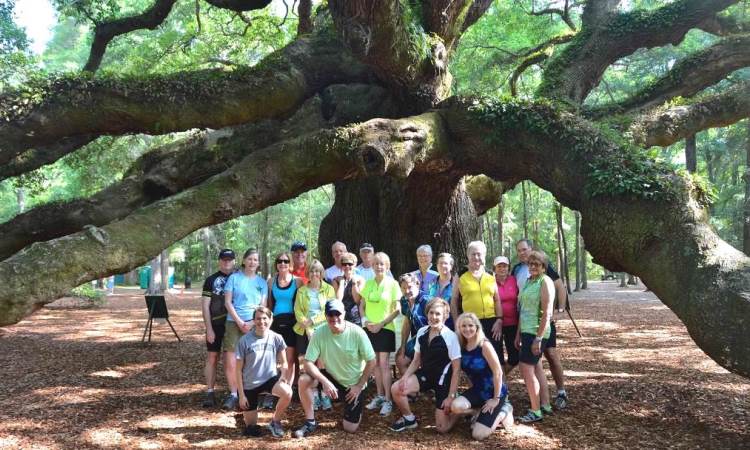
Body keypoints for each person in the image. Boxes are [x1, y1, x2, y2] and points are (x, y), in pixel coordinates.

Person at [294, 300, 377, 437]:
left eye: (337, 314)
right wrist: (325, 382)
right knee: (303, 380)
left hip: (353, 383)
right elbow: (308, 362)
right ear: (325, 316)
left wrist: (359, 385)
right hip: (331, 375)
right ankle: (310, 422)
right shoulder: (319, 333)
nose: (334, 318)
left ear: (344, 314)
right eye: (330, 314)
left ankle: (355, 407)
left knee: (350, 428)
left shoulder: (357, 332)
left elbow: (372, 361)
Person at [389, 298, 461, 433]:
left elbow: (456, 369)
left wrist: (451, 396)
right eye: (431, 313)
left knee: (442, 429)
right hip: (426, 375)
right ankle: (409, 419)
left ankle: (458, 412)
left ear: (445, 316)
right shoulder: (422, 332)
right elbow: (416, 361)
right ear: (427, 314)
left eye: (438, 314)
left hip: (443, 381)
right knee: (396, 388)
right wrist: (405, 377)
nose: (434, 317)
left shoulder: (450, 337)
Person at [512, 238, 569, 409]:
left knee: (550, 355)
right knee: (535, 364)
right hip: (526, 324)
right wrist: (518, 332)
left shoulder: (545, 275)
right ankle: (543, 402)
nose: (522, 252)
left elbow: (560, 287)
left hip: (542, 324)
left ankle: (561, 392)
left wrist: (559, 310)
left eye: (524, 249)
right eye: (519, 250)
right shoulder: (518, 271)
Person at [451, 312, 513, 440]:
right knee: (455, 407)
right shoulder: (462, 346)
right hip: (478, 391)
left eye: (470, 325)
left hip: (495, 392)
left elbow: (498, 372)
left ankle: (504, 411)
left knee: (477, 434)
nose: (467, 329)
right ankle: (477, 412)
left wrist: (496, 399)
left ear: (477, 327)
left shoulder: (484, 345)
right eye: (463, 326)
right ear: (459, 328)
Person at [354, 251, 401, 416]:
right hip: (370, 328)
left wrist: (381, 324)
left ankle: (389, 400)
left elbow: (397, 310)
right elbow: (362, 305)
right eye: (376, 264)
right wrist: (365, 321)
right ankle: (380, 396)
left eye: (382, 264)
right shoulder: (368, 284)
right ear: (372, 266)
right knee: (374, 364)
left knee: (384, 364)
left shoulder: (393, 284)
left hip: (386, 328)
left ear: (387, 266)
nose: (379, 267)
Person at [222, 248, 268, 410]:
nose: (252, 262)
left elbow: (262, 306)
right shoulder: (234, 278)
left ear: (258, 263)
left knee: (254, 359)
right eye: (249, 259)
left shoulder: (262, 283)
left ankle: (253, 392)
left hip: (255, 323)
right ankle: (234, 394)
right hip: (233, 322)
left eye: (255, 260)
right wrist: (240, 321)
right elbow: (228, 302)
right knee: (231, 359)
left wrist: (251, 322)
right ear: (243, 260)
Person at [235, 307, 292, 438]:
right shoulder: (244, 340)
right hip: (249, 384)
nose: (262, 322)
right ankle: (243, 417)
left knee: (288, 392)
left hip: (269, 379)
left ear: (271, 319)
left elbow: (284, 362)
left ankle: (275, 421)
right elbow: (238, 370)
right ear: (254, 321)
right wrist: (241, 395)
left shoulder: (276, 338)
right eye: (258, 319)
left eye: (265, 318)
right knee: (251, 428)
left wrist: (283, 376)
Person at [515, 250, 555, 423]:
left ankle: (535, 410)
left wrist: (538, 338)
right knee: (537, 367)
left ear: (544, 267)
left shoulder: (545, 282)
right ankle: (545, 404)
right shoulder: (528, 281)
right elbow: (523, 310)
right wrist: (518, 334)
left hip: (537, 332)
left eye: (537, 264)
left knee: (526, 369)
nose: (532, 267)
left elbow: (547, 312)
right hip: (526, 330)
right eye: (530, 264)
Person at [293, 259, 336, 410]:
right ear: (308, 273)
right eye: (312, 271)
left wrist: (312, 321)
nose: (315, 273)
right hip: (304, 331)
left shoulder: (329, 289)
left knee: (322, 362)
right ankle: (313, 395)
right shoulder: (302, 291)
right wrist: (307, 326)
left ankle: (324, 394)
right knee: (307, 363)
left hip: (323, 329)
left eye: (317, 271)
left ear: (322, 273)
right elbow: (297, 310)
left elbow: (330, 311)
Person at [451, 241, 503, 360]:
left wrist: (499, 320)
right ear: (468, 255)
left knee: (496, 359)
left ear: (484, 255)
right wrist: (457, 323)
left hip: (491, 323)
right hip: (471, 323)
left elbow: (497, 300)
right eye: (473, 254)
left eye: (479, 254)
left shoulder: (490, 274)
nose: (476, 257)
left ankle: (498, 379)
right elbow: (454, 301)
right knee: (475, 360)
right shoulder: (460, 275)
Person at [200, 248, 236, 407]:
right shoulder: (210, 280)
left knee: (233, 360)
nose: (226, 262)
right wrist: (209, 328)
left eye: (229, 259)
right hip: (216, 324)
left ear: (234, 261)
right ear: (219, 261)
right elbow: (205, 306)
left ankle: (235, 392)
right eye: (224, 259)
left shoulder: (239, 278)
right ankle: (209, 391)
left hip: (234, 324)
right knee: (212, 357)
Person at [267, 251, 302, 394]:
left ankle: (287, 388)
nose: (283, 264)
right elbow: (269, 304)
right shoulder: (271, 281)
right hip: (275, 322)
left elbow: (301, 303)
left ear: (290, 264)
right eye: (280, 261)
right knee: (275, 358)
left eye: (286, 261)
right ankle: (275, 389)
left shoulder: (297, 281)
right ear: (276, 264)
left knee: (290, 359)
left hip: (292, 322)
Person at [396, 273, 428, 375]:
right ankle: (409, 388)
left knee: (425, 364)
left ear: (417, 285)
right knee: (400, 358)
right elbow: (407, 323)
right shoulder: (404, 301)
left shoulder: (426, 301)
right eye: (403, 288)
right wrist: (403, 346)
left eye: (410, 287)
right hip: (418, 338)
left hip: (431, 338)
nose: (407, 291)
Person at [493, 255, 520, 376]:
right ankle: (500, 385)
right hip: (495, 323)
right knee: (497, 356)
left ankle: (500, 378)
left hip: (513, 323)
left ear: (508, 268)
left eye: (504, 266)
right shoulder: (490, 281)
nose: (502, 268)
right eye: (499, 266)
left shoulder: (514, 280)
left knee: (515, 357)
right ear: (494, 268)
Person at [332, 252, 365, 326]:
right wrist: (341, 283)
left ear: (354, 265)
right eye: (344, 264)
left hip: (356, 319)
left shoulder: (360, 280)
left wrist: (354, 283)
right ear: (341, 266)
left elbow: (358, 300)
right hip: (341, 318)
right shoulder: (336, 280)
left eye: (350, 264)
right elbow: (338, 300)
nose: (347, 266)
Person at [427, 252, 456, 330]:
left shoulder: (456, 284)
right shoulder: (430, 284)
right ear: (437, 266)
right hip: (432, 325)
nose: (443, 266)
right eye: (440, 263)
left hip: (451, 326)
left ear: (451, 266)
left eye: (446, 263)